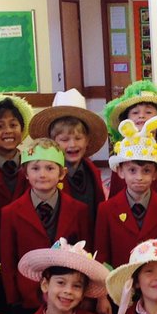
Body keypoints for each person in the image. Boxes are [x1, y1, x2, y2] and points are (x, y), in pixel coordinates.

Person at [0, 137, 90, 314]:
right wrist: (12, 298)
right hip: (27, 298)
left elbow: (86, 254)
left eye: (50, 168)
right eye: (35, 168)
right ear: (25, 173)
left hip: (68, 294)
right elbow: (8, 259)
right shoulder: (10, 212)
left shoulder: (78, 210)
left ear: (62, 173)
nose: (42, 174)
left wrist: (85, 295)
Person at [95, 110, 157, 268]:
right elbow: (102, 255)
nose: (139, 177)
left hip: (156, 283)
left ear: (156, 173)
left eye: (146, 171)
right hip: (120, 285)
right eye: (132, 170)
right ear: (120, 172)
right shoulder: (106, 209)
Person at [28, 88, 109, 232]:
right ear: (52, 141)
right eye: (64, 139)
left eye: (78, 138)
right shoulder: (44, 174)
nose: (72, 145)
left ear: (87, 141)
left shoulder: (93, 172)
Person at [103, 79, 157, 206]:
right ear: (126, 120)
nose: (141, 116)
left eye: (148, 112)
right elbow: (114, 202)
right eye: (135, 112)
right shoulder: (121, 159)